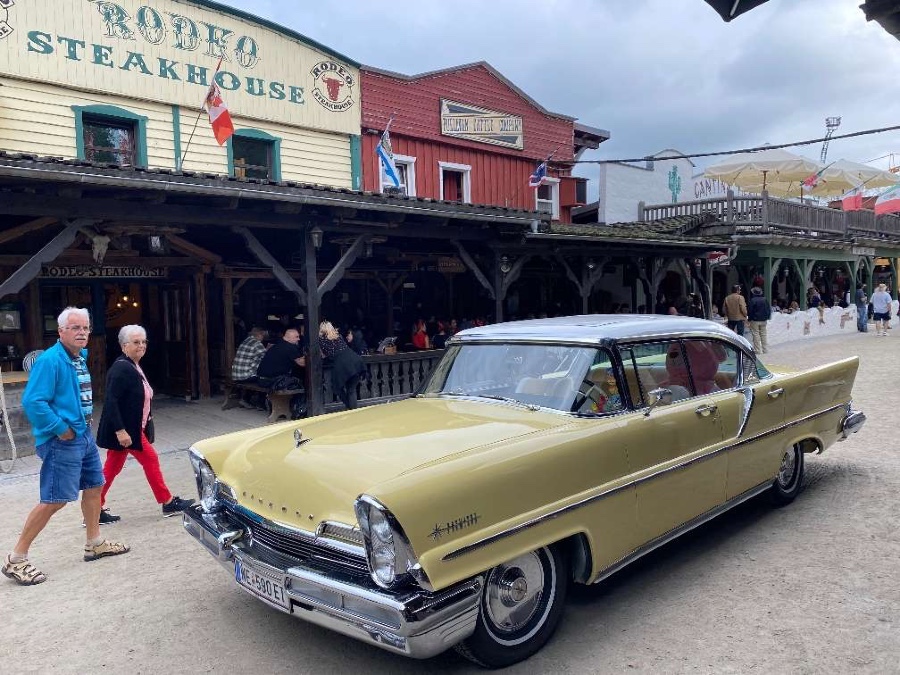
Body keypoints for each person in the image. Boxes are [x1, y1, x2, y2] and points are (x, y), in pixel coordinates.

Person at [3, 307, 129, 586]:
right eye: (75, 327)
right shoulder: (51, 361)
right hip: (63, 440)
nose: (82, 332)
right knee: (55, 499)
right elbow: (33, 402)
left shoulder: (78, 357)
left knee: (95, 486)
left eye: (85, 327)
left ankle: (94, 543)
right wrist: (61, 429)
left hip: (82, 435)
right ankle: (16, 559)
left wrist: (76, 430)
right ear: (61, 332)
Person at [96, 325, 195, 521]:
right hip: (127, 430)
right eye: (136, 342)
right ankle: (167, 502)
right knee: (150, 459)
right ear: (124, 346)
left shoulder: (132, 365)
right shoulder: (122, 368)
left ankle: (94, 507)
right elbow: (111, 401)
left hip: (131, 428)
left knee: (111, 468)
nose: (141, 345)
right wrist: (120, 431)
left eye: (143, 342)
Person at [319, 321, 367, 410]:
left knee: (337, 388)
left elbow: (323, 355)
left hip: (342, 365)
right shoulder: (339, 337)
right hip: (355, 361)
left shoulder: (322, 341)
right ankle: (352, 410)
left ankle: (350, 408)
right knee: (351, 390)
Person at [231, 326, 268, 408]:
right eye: (263, 336)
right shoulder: (257, 344)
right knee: (264, 379)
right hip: (245, 376)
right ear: (259, 334)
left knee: (256, 374)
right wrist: (269, 348)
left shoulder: (246, 341)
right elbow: (267, 357)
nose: (264, 338)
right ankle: (259, 403)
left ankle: (247, 399)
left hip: (236, 375)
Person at [747, 286, 771, 354]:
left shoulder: (752, 300)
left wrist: (749, 319)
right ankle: (765, 350)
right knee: (763, 334)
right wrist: (768, 317)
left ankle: (758, 350)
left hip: (755, 320)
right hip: (764, 320)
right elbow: (768, 309)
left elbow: (750, 311)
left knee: (756, 334)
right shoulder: (765, 299)